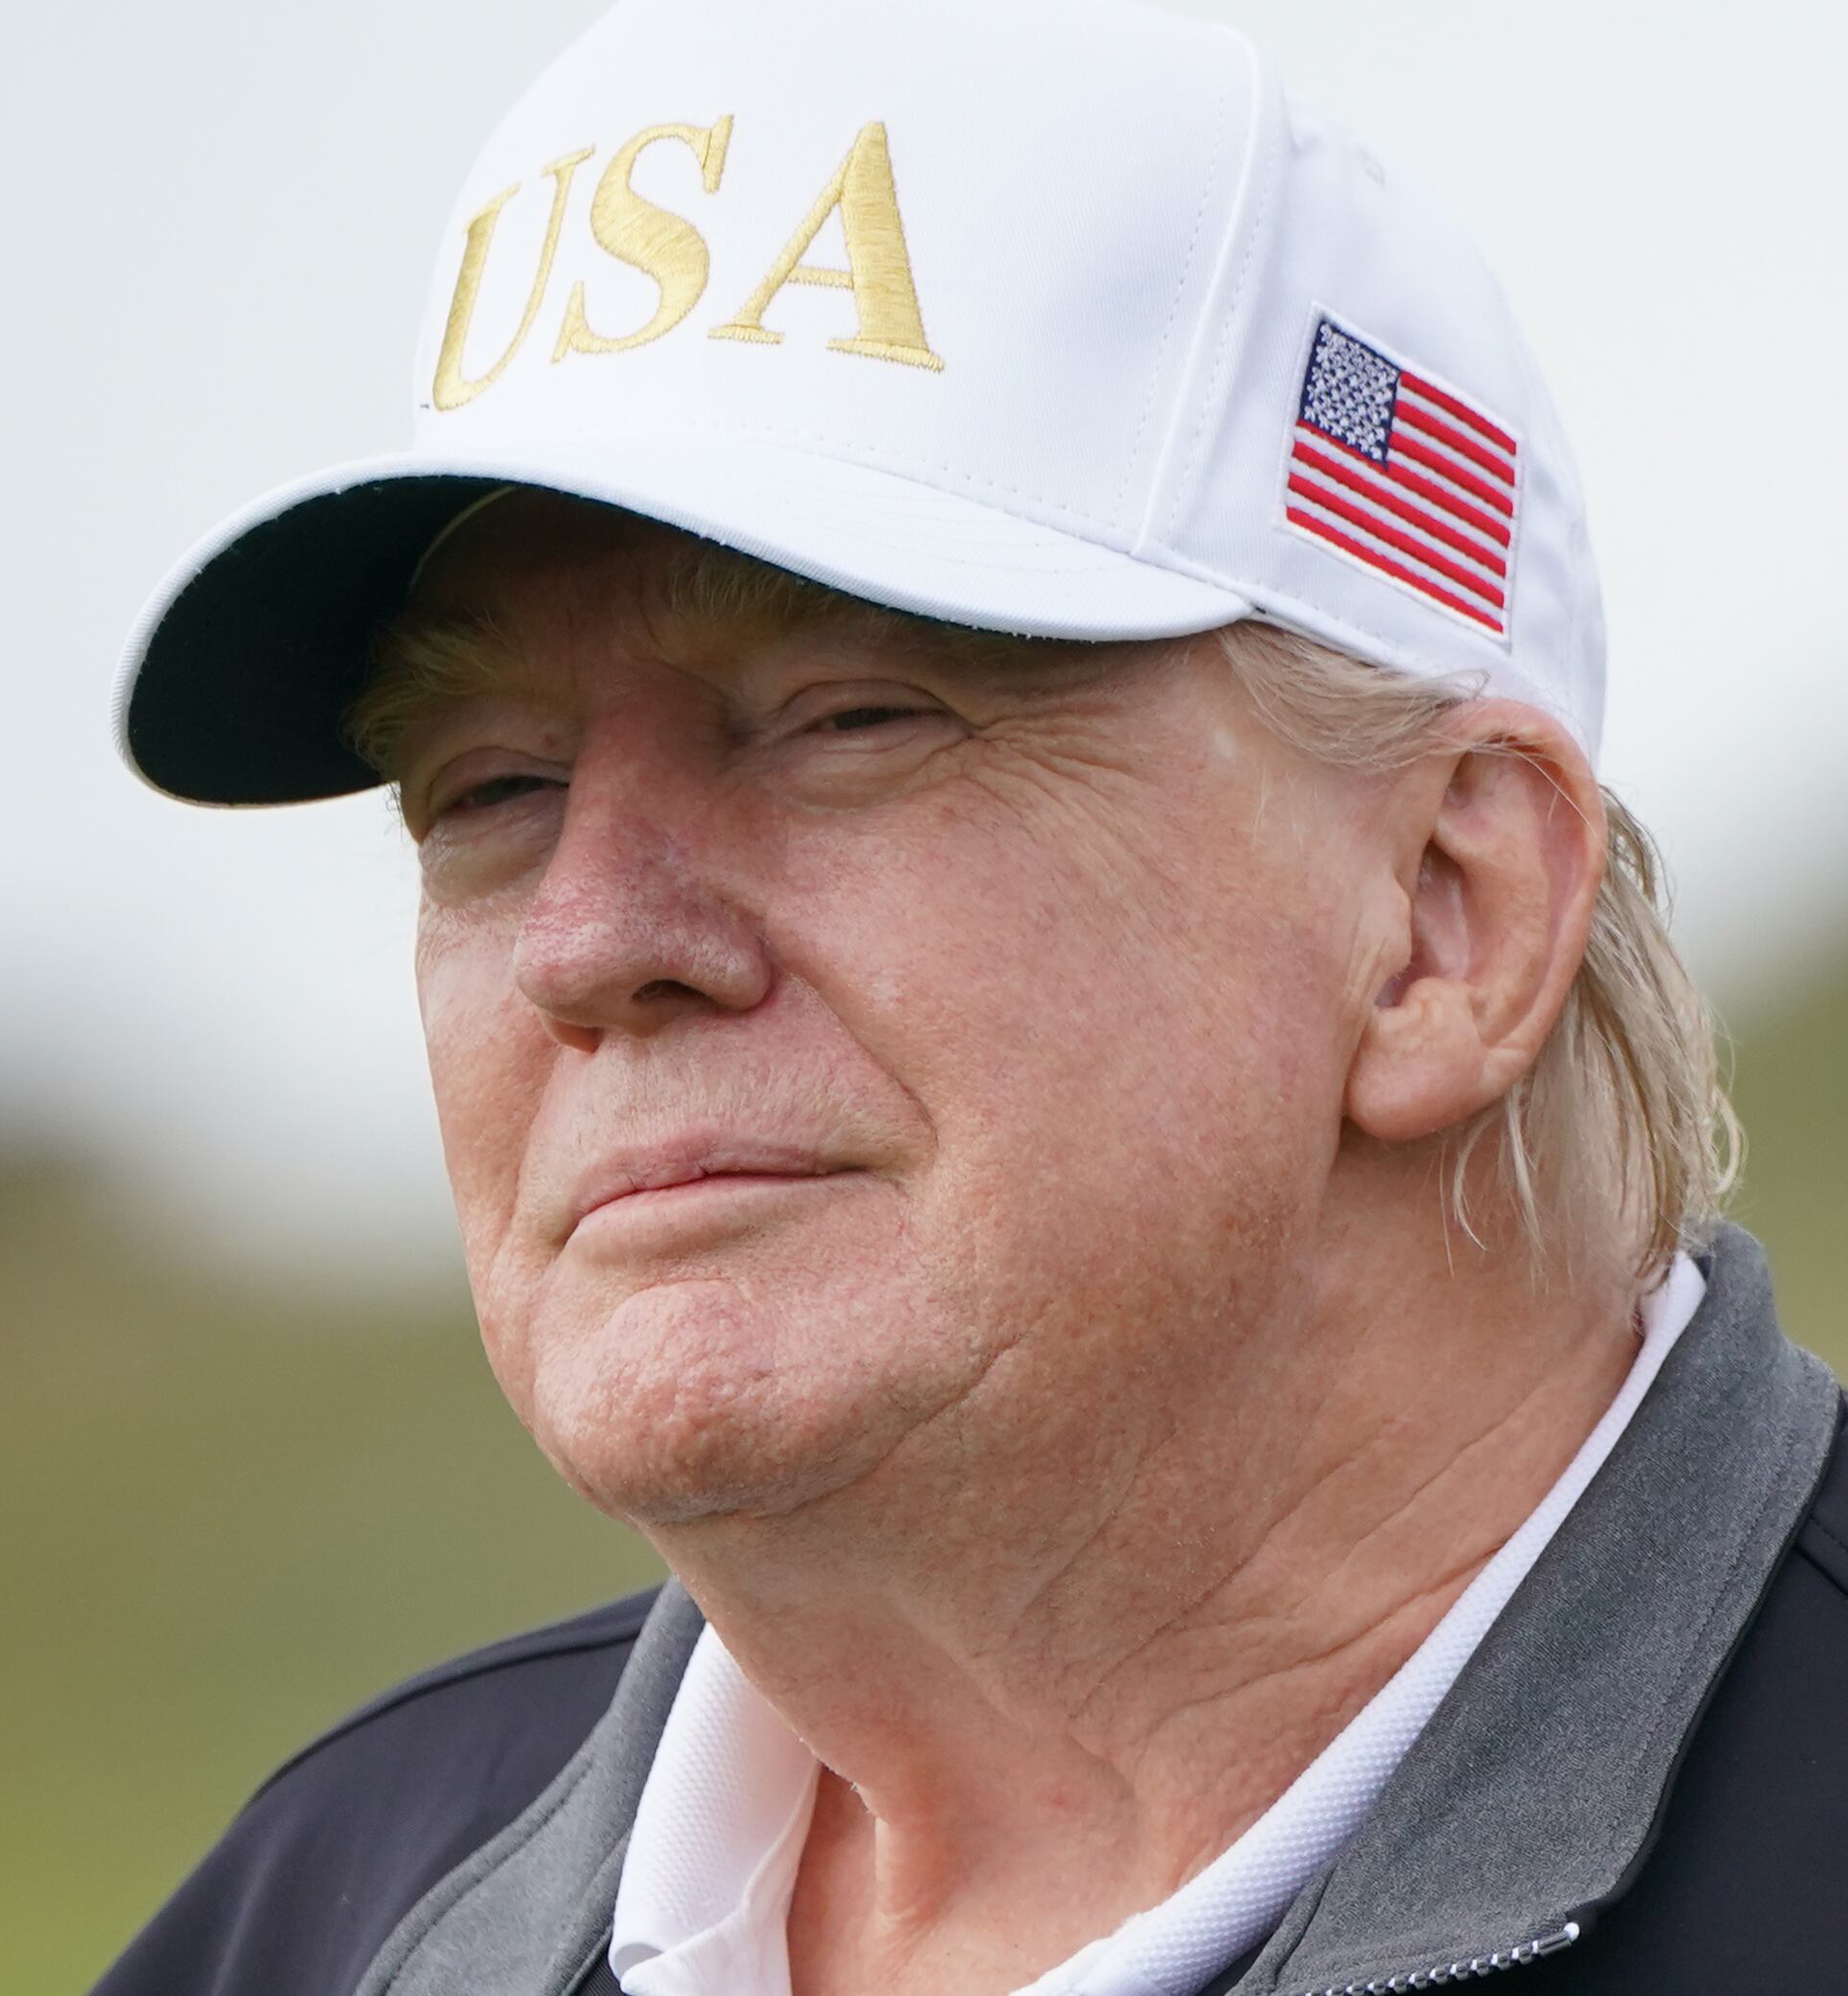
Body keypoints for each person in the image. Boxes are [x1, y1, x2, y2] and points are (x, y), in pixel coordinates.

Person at [95, 2, 1848, 1991]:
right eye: (489, 789)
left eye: (845, 717)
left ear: (1441, 914)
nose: (589, 941)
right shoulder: (323, 1912)